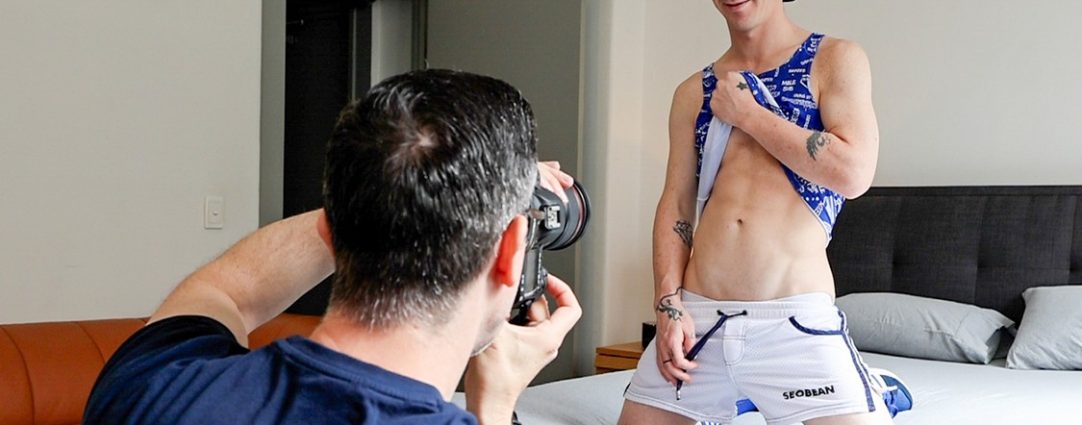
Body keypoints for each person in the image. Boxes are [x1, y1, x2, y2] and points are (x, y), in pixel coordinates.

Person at [84, 69, 582, 425]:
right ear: (510, 251)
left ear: (330, 230)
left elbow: (228, 289)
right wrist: (494, 408)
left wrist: (380, 194)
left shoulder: (154, 386)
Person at [619, 0, 904, 424]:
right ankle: (743, 394)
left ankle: (877, 388)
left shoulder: (833, 59)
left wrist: (748, 115)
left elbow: (854, 173)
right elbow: (675, 204)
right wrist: (668, 307)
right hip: (699, 321)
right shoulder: (693, 92)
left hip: (794, 325)